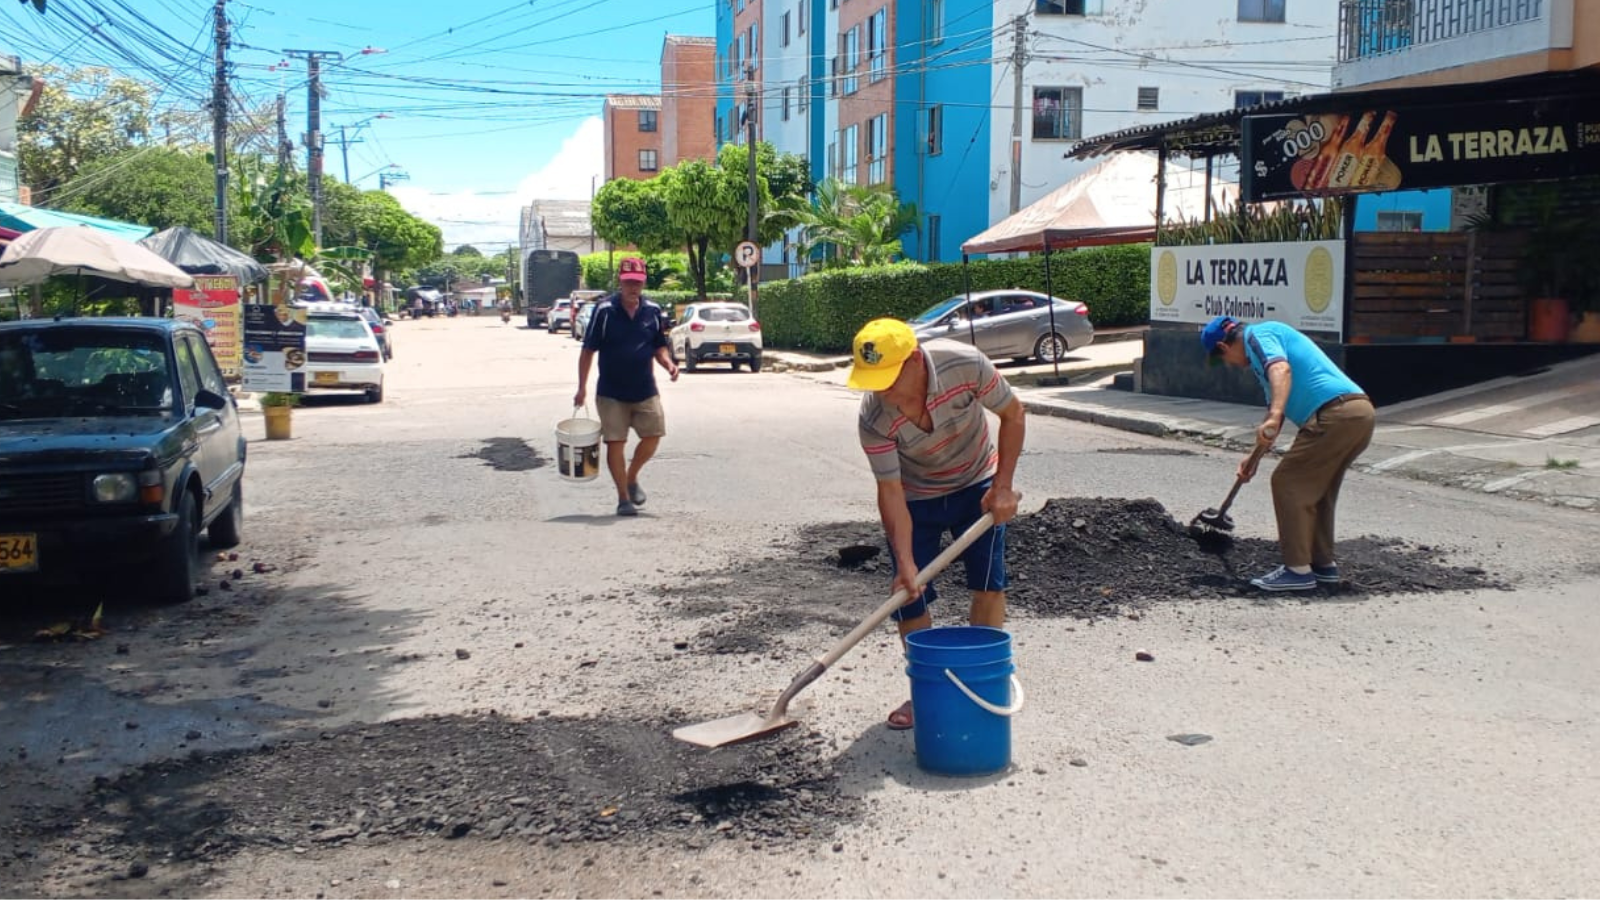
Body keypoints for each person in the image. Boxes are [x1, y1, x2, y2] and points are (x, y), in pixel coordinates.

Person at [847, 318, 1026, 730]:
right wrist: (905, 561)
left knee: (987, 581)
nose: (881, 390)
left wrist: (1002, 487)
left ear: (913, 360)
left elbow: (1013, 414)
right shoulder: (874, 418)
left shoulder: (964, 365)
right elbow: (890, 492)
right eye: (873, 380)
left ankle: (980, 683)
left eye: (888, 378)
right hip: (915, 495)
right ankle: (925, 692)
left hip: (976, 479)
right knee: (908, 594)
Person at [1201, 315, 1375, 592]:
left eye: (1222, 359)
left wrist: (1275, 414)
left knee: (1288, 481)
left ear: (1223, 348)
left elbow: (1281, 370)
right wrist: (1253, 458)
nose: (1229, 365)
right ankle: (1322, 565)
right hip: (1358, 413)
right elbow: (1274, 420)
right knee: (1318, 491)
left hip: (1334, 414)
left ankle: (1297, 571)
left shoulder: (1259, 336)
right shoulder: (1262, 362)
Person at [574, 256, 679, 517]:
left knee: (654, 435)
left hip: (645, 388)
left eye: (638, 283)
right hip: (611, 392)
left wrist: (668, 364)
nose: (633, 288)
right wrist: (581, 388)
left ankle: (632, 477)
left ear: (643, 283)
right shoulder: (605, 311)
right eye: (629, 282)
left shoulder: (653, 311)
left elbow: (658, 345)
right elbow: (588, 350)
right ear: (620, 282)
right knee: (615, 443)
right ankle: (623, 498)